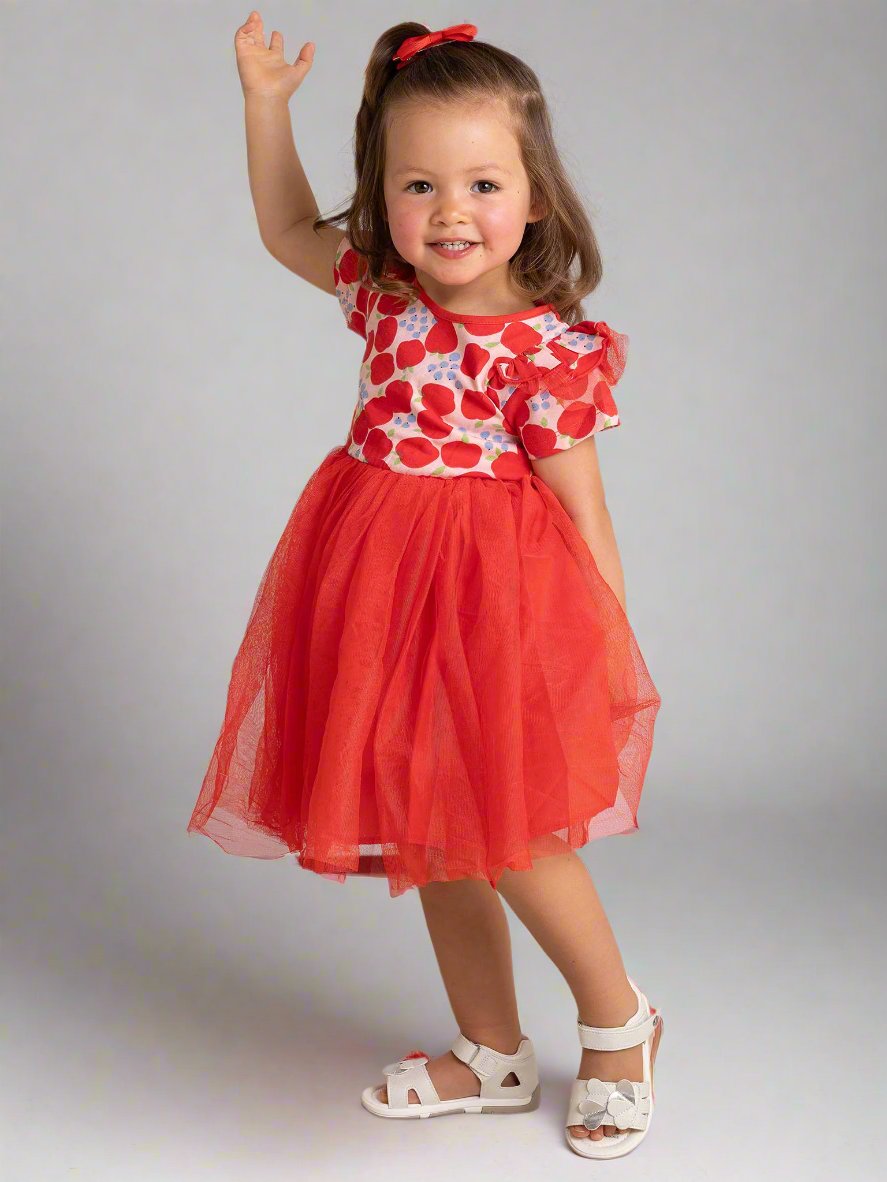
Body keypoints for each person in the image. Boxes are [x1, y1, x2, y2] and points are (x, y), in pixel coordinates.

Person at [186, 14, 664, 1159]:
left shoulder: (544, 351)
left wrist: (597, 644)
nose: (449, 211)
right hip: (373, 592)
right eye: (417, 184)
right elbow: (285, 227)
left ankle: (618, 1023)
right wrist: (265, 107)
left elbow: (580, 506)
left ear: (534, 198)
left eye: (483, 182)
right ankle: (492, 1047)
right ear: (385, 195)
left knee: (509, 833)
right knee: (424, 824)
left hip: (490, 609)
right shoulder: (381, 296)